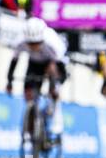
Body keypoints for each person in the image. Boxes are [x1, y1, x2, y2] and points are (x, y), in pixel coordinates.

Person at [6, 16, 68, 144]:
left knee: (54, 87)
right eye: (31, 44)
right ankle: (30, 127)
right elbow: (14, 62)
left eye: (37, 43)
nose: (34, 47)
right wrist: (9, 82)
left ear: (42, 39)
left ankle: (55, 120)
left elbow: (61, 68)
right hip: (34, 64)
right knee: (29, 95)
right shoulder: (20, 41)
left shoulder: (53, 42)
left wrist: (56, 84)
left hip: (51, 64)